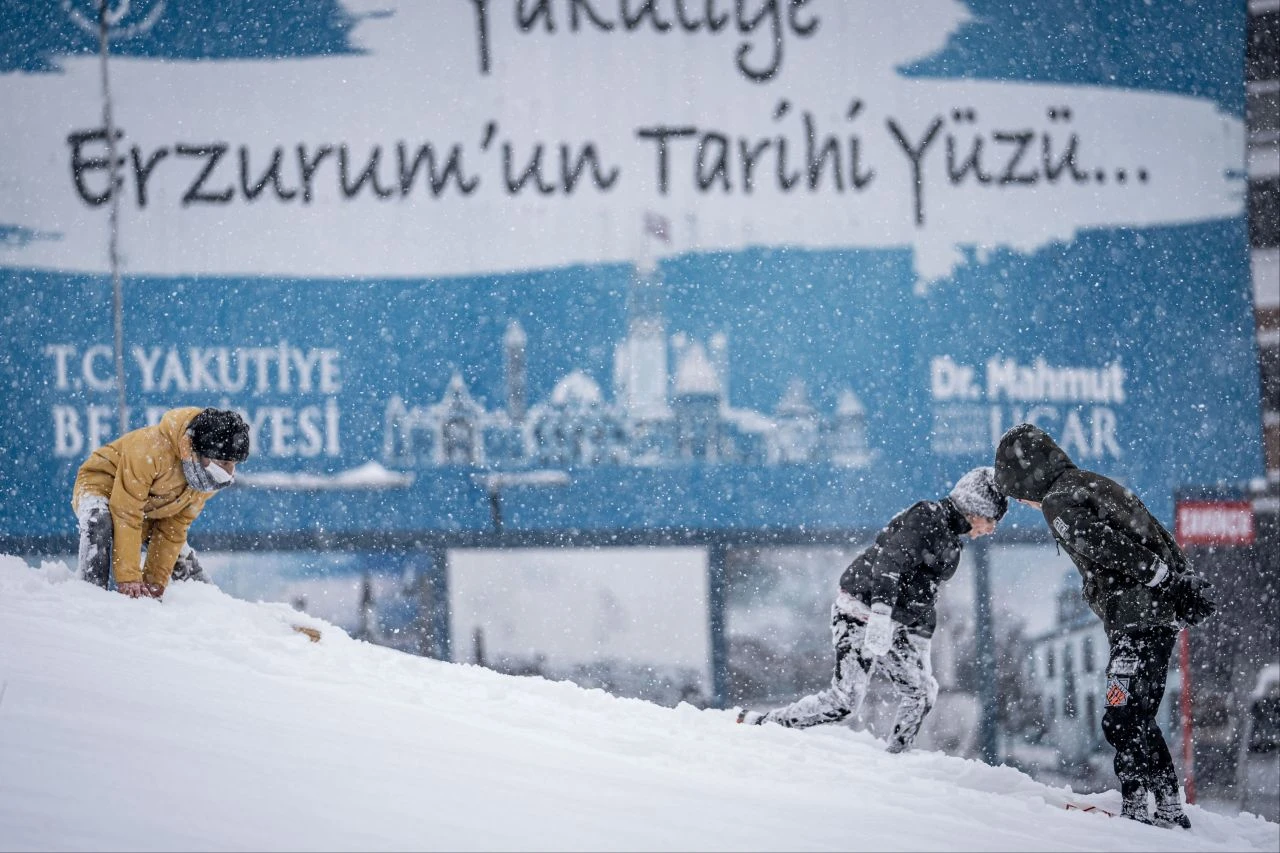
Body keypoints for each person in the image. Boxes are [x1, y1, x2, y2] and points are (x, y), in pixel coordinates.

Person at [993, 423, 1216, 829]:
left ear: (1027, 477)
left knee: (1121, 713)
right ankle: (1164, 804)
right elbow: (1150, 530)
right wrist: (1178, 582)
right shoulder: (1091, 483)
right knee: (1138, 711)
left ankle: (1138, 808)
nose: (1024, 502)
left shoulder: (1057, 502)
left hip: (1137, 618)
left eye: (1017, 491)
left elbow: (1102, 543)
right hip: (1155, 616)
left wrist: (1159, 578)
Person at [736, 466, 1007, 754]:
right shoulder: (927, 516)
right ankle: (760, 725)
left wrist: (923, 643)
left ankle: (897, 760)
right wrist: (879, 613)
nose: (991, 529)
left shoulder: (952, 542)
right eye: (991, 520)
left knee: (922, 692)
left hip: (891, 625)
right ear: (974, 509)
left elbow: (926, 595)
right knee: (845, 702)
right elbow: (889, 563)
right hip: (858, 612)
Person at [71, 406, 250, 599]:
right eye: (223, 463)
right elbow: (126, 512)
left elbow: (174, 528)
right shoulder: (150, 449)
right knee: (99, 523)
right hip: (103, 485)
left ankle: (213, 606)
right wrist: (129, 578)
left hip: (153, 507)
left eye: (234, 465)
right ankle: (91, 596)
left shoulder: (209, 479)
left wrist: (154, 582)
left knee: (182, 561)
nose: (229, 474)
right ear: (192, 450)